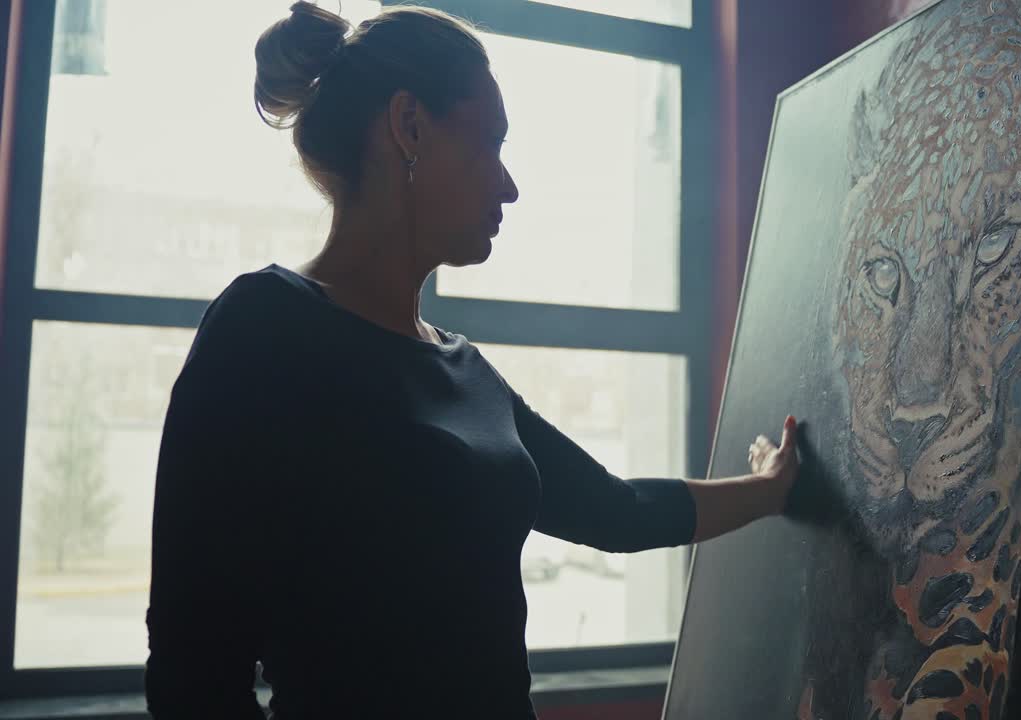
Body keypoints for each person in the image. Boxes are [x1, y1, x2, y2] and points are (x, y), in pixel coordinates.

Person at [143, 3, 800, 718]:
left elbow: (615, 509)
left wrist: (769, 490)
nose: (509, 184)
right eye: (489, 142)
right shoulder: (263, 329)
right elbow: (194, 672)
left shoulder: (464, 369)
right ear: (410, 127)